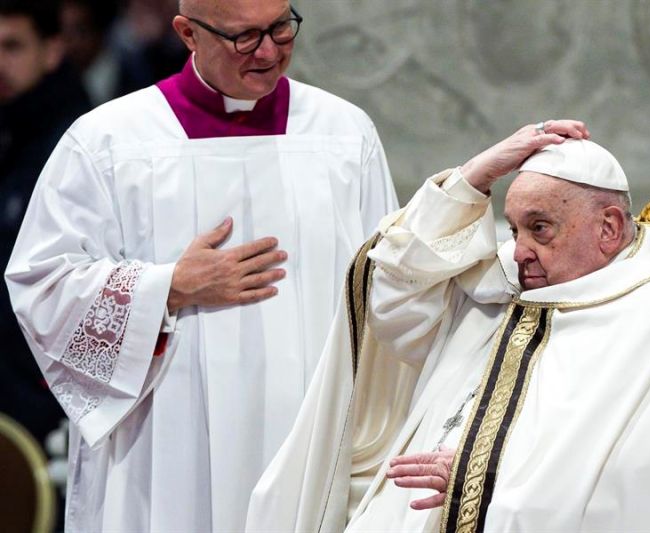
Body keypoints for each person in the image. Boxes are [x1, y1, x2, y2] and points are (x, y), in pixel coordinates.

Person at [5, 0, 397, 531]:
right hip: (165, 447)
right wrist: (165, 287)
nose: (268, 51)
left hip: (309, 436)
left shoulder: (344, 135)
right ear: (188, 33)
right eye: (244, 36)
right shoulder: (110, 141)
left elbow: (384, 286)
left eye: (281, 28)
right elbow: (42, 285)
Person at [247, 121, 650, 532]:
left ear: (609, 228)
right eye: (513, 228)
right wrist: (474, 178)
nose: (518, 250)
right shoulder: (506, 282)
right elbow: (391, 304)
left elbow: (640, 463)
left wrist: (488, 472)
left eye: (540, 228)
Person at [0, 0, 90, 446]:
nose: (0, 63)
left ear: (52, 50)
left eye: (12, 46)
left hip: (47, 407)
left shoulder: (81, 144)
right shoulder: (9, 133)